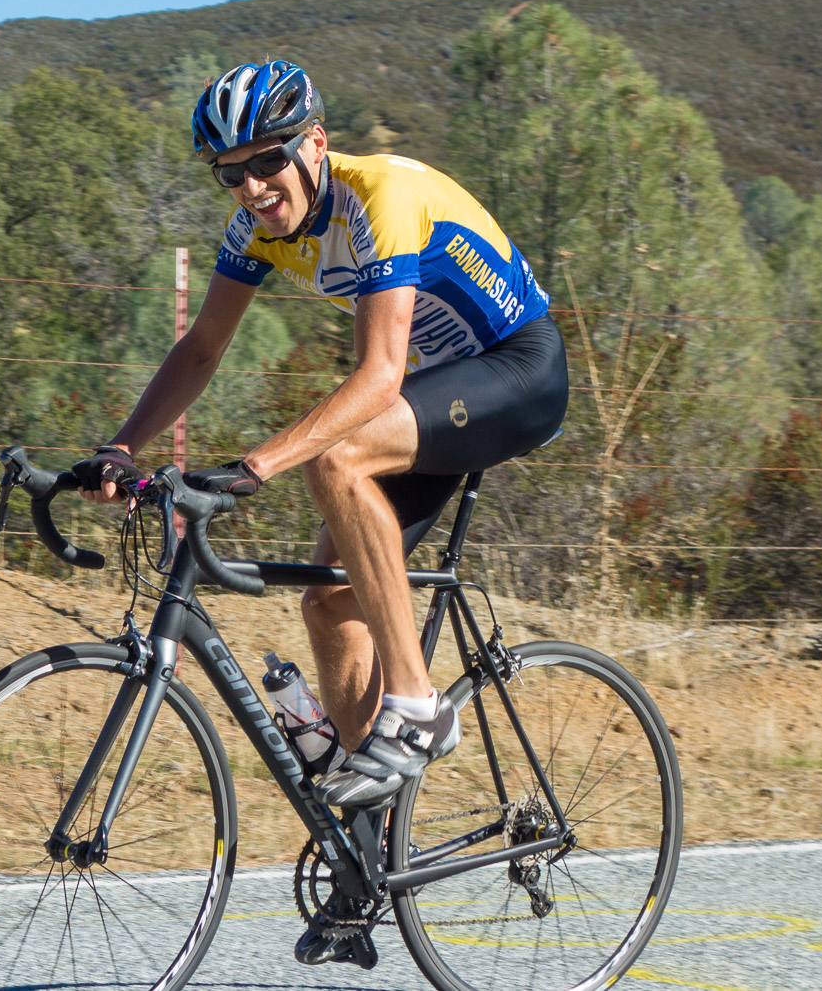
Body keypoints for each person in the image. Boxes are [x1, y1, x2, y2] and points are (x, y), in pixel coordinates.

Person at [71, 60, 569, 964]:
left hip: (517, 371)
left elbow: (377, 378)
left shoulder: (383, 196)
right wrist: (122, 446)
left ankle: (417, 704)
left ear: (316, 145)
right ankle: (363, 862)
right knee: (332, 598)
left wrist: (256, 465)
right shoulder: (255, 228)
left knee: (338, 457)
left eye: (268, 161)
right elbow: (202, 347)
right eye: (230, 172)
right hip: (435, 393)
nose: (252, 186)